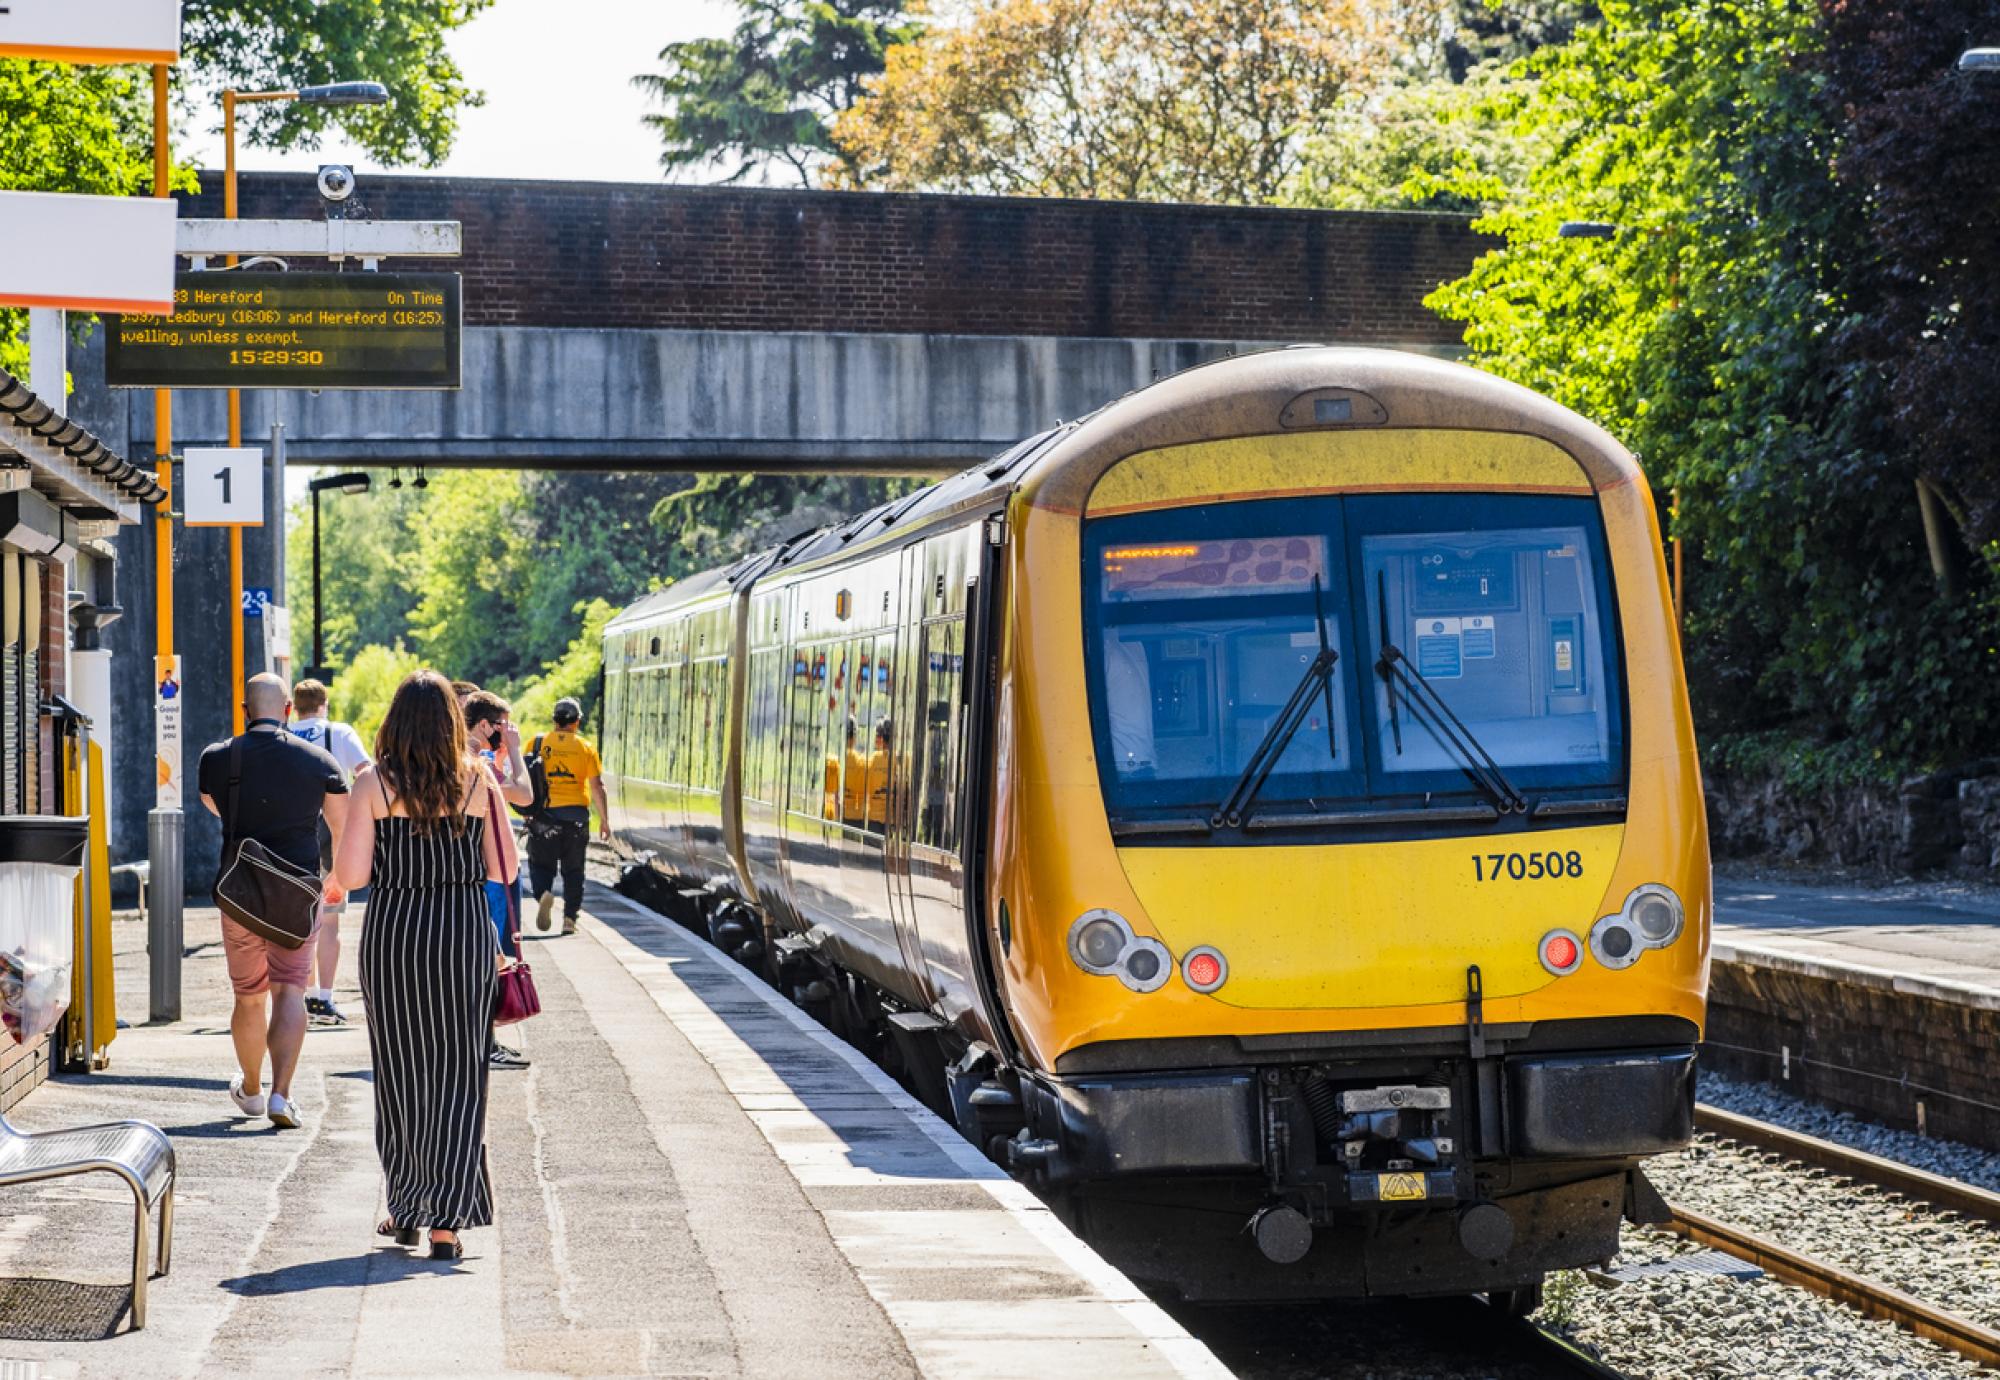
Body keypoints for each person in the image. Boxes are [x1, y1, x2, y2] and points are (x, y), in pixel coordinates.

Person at [333, 670, 507, 1261]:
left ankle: (406, 1206)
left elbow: (353, 877)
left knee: (401, 1074)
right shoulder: (478, 782)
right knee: (461, 1075)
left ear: (394, 722)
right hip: (460, 937)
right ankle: (447, 1223)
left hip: (395, 937)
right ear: (453, 725)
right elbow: (502, 870)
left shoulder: (372, 784)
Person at [198, 673, 350, 1130]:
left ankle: (251, 1088)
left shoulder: (217, 758)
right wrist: (335, 878)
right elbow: (340, 827)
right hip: (298, 895)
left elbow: (213, 804)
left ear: (245, 711)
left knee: (248, 997)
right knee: (290, 990)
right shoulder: (319, 761)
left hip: (240, 894)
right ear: (287, 710)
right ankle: (282, 1096)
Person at [287, 678, 371, 1026]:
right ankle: (324, 998)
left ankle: (302, 997)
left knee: (300, 923)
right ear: (324, 705)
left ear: (295, 705)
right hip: (333, 841)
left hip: (291, 842)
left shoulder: (285, 735)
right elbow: (366, 772)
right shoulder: (339, 733)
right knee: (330, 923)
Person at [464, 690, 531, 1071]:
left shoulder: (462, 757)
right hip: (488, 873)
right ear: (486, 725)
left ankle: (479, 1039)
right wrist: (515, 751)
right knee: (491, 957)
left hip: (469, 871)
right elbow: (524, 793)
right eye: (502, 726)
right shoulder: (479, 763)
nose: (506, 733)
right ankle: (484, 1041)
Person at [528, 697, 609, 935]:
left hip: (545, 817)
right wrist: (604, 820)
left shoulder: (537, 743)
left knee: (540, 865)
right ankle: (569, 919)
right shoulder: (585, 747)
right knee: (574, 871)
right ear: (578, 722)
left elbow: (527, 779)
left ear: (554, 720)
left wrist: (527, 812)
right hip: (576, 818)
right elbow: (597, 786)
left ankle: (543, 893)